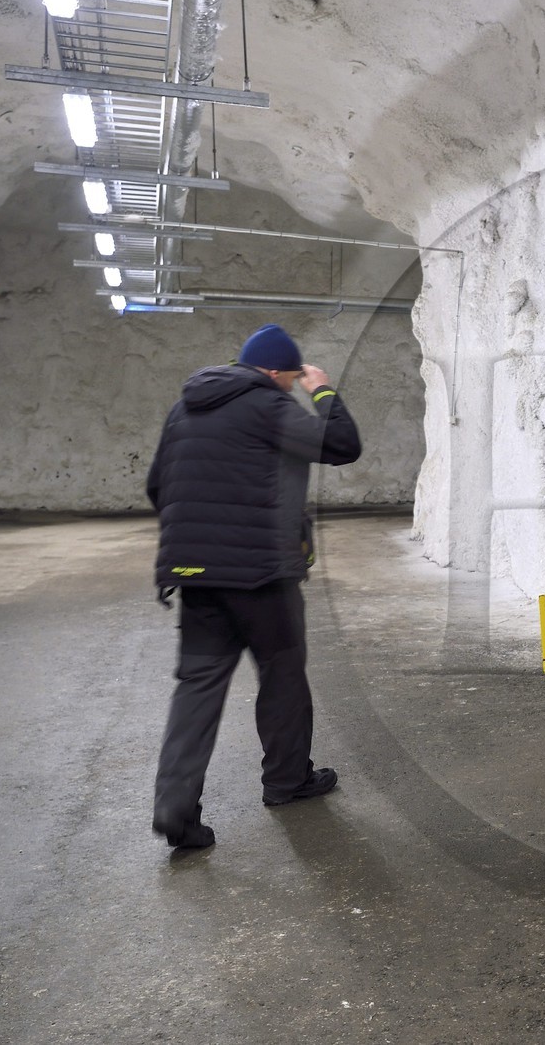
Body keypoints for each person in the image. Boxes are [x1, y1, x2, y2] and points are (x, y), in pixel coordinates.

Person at [146, 323, 362, 849]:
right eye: (289, 379)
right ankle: (287, 781)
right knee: (283, 673)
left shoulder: (184, 409)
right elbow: (341, 443)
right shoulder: (267, 404)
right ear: (273, 371)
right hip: (262, 575)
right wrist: (321, 390)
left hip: (195, 575)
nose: (290, 387)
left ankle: (176, 809)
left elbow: (158, 485)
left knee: (197, 687)